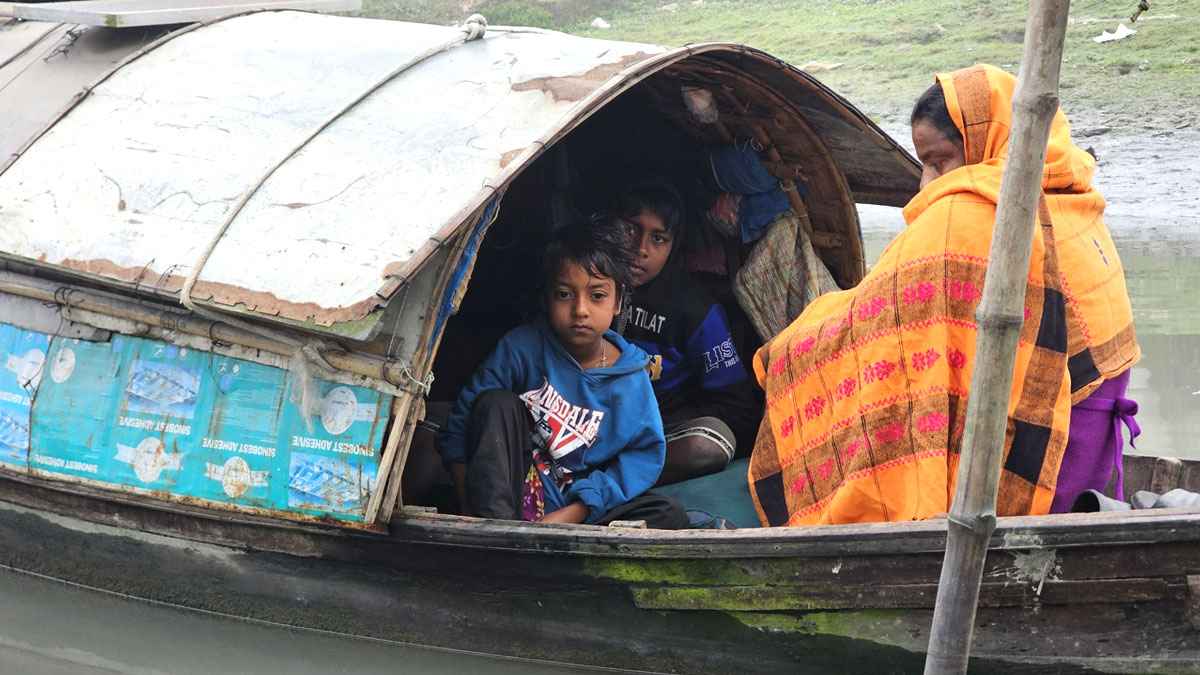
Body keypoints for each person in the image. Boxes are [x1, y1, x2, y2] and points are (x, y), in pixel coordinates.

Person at [747, 64, 1141, 526]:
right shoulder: (1074, 196)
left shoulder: (968, 215)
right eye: (924, 164)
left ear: (985, 142)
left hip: (1045, 455)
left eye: (940, 160)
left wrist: (785, 355)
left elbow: (883, 315)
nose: (926, 183)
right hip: (1091, 447)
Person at [439, 216, 685, 528]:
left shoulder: (631, 378)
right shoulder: (523, 347)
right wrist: (471, 510)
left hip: (579, 511)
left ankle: (541, 543)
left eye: (597, 296)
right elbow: (461, 428)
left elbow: (641, 457)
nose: (580, 310)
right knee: (494, 404)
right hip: (508, 500)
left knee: (667, 513)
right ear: (547, 297)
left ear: (618, 302)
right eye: (565, 294)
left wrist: (571, 514)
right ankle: (502, 539)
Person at [616, 183, 762, 485]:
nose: (640, 249)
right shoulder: (583, 284)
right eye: (630, 230)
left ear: (673, 246)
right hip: (587, 417)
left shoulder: (694, 309)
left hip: (660, 429)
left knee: (708, 443)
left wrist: (660, 421)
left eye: (658, 238)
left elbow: (737, 407)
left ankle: (619, 475)